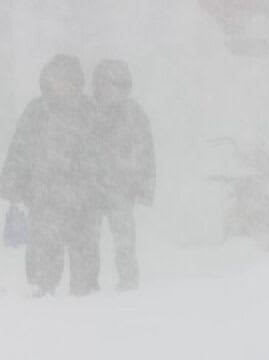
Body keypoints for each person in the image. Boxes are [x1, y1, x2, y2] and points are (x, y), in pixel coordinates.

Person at [0, 54, 103, 296]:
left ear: (77, 81)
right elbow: (20, 147)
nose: (61, 84)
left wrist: (96, 184)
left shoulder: (88, 110)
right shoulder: (37, 110)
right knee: (43, 242)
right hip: (44, 189)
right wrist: (11, 182)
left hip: (82, 192)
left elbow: (100, 152)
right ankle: (43, 288)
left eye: (67, 79)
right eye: (57, 78)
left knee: (84, 245)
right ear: (48, 79)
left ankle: (85, 291)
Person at [92, 59, 155, 291]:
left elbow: (146, 154)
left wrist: (145, 189)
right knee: (89, 238)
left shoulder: (134, 114)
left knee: (124, 239)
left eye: (113, 85)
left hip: (121, 188)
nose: (107, 90)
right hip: (92, 185)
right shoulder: (89, 110)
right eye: (103, 84)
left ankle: (128, 280)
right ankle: (87, 282)